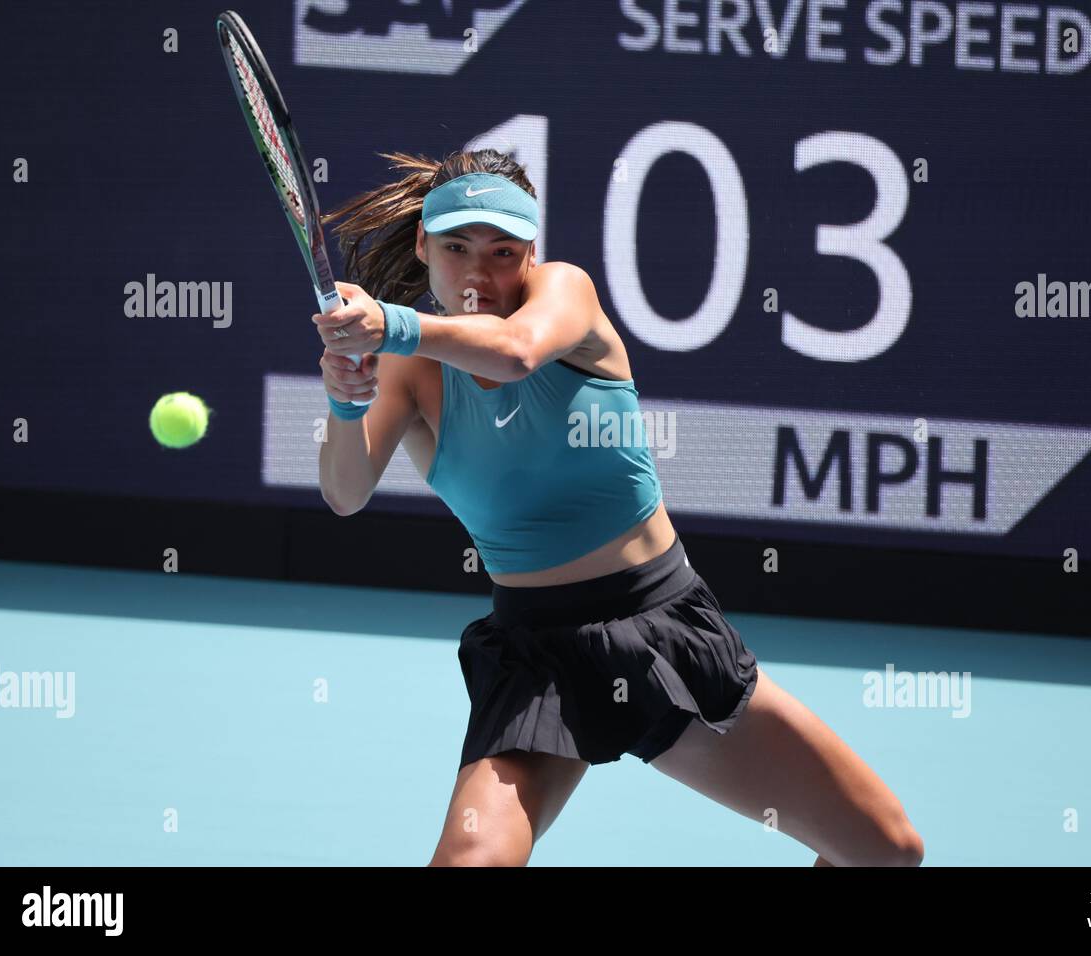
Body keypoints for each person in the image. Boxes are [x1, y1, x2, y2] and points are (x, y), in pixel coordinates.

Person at [313, 148, 924, 867]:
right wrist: (345, 401)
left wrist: (391, 325)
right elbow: (345, 493)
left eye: (502, 251)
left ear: (532, 252)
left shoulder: (564, 294)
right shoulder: (409, 370)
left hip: (663, 631)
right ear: (424, 245)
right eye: (455, 248)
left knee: (886, 850)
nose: (478, 274)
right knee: (470, 862)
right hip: (536, 658)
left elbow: (513, 353)